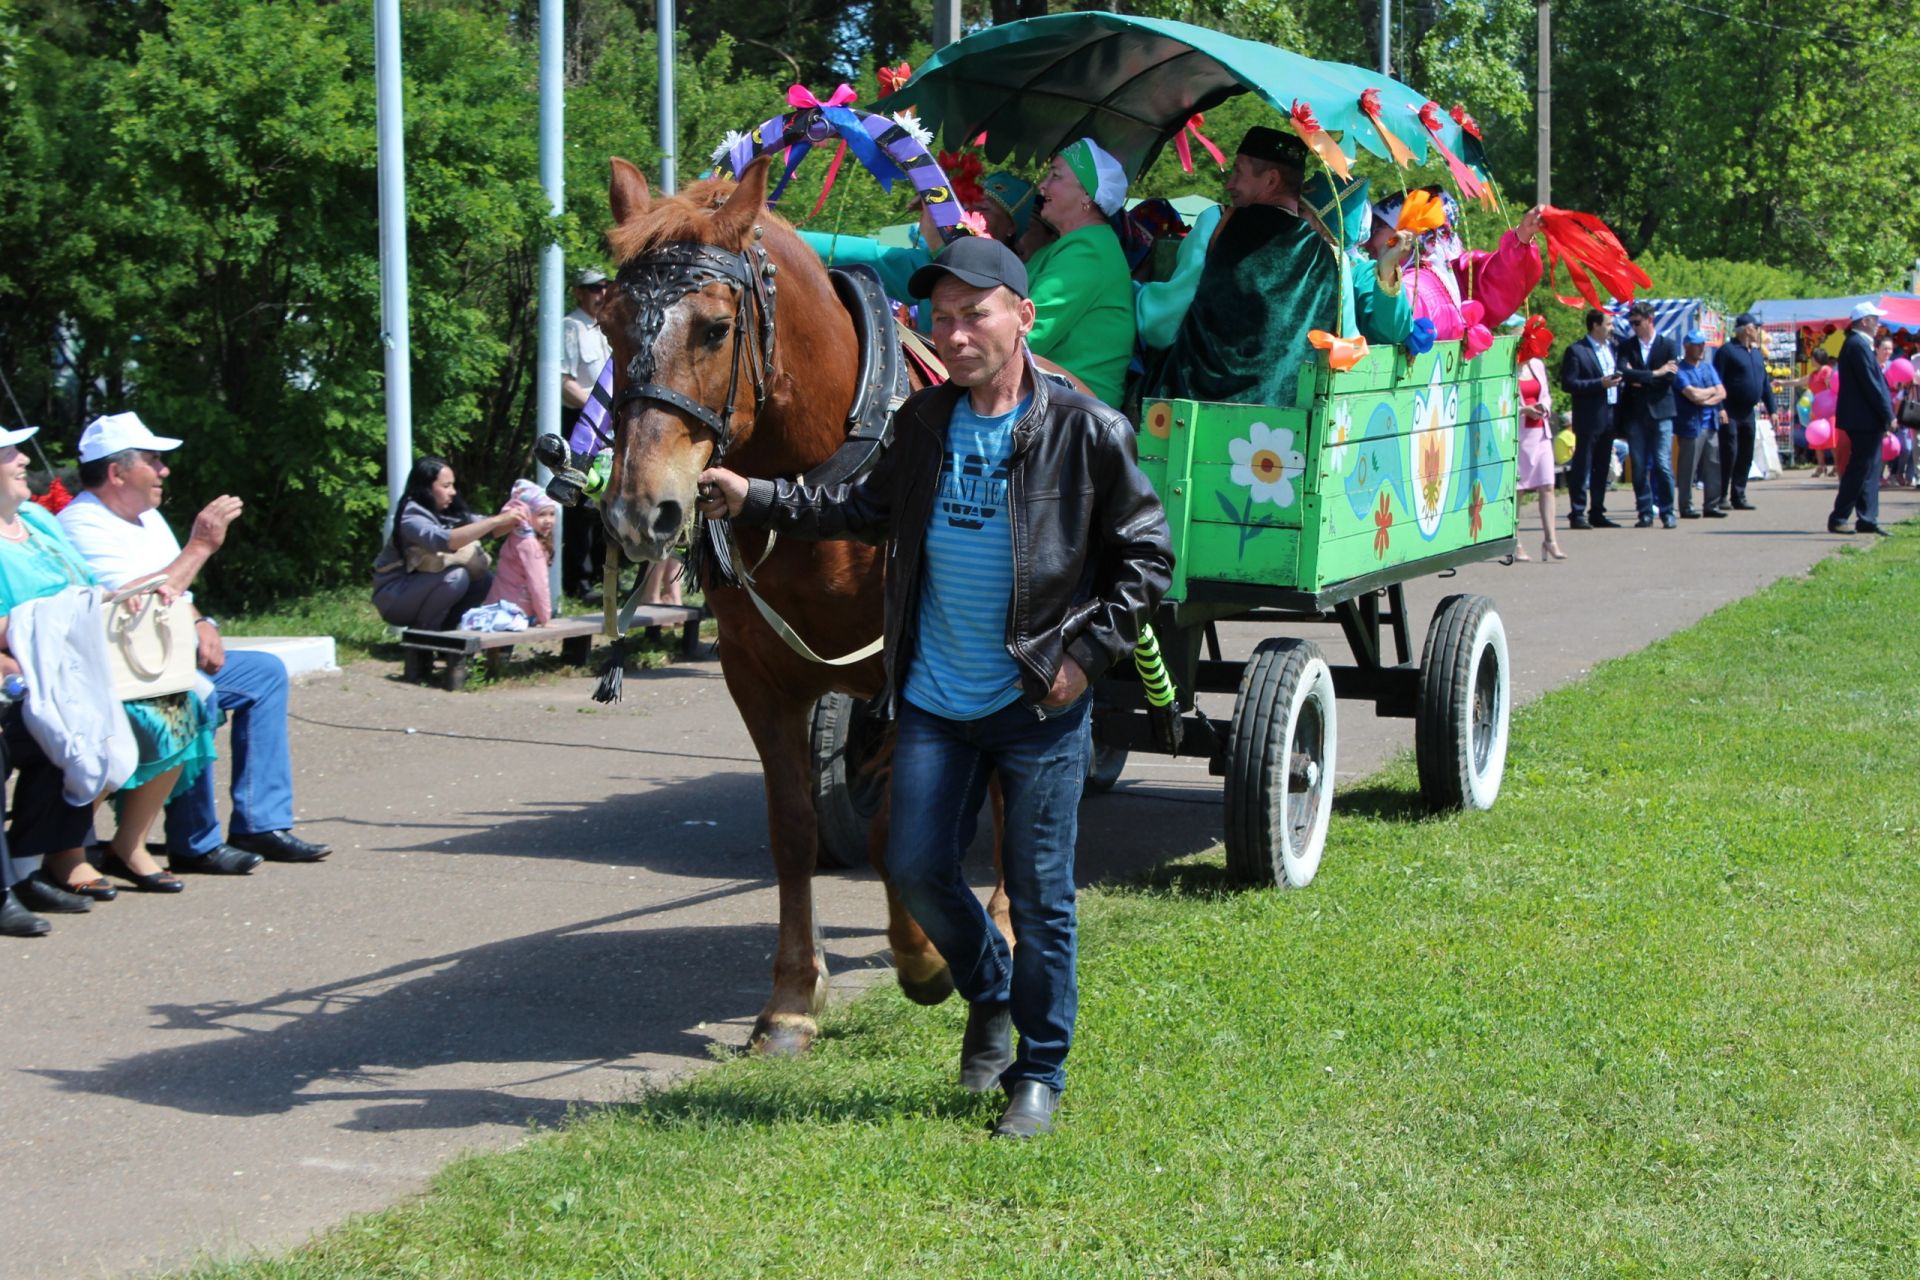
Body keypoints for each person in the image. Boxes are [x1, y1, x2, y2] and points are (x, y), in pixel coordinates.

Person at [695, 236, 1172, 1139]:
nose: (954, 335)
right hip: (935, 705)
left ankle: (1038, 1073)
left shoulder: (1084, 429)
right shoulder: (921, 427)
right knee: (915, 869)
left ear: (1022, 317)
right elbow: (854, 509)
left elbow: (1146, 558)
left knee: (1038, 896)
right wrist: (754, 497)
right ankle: (989, 992)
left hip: (1034, 706)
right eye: (941, 319)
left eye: (975, 314)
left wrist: (1079, 656)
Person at [59, 413, 334, 874]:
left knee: (263, 674)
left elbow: (177, 593)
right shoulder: (83, 525)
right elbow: (131, 603)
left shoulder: (147, 520)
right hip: (123, 671)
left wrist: (202, 620)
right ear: (116, 472)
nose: (165, 470)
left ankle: (260, 823)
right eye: (154, 460)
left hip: (162, 656)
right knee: (192, 696)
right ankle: (194, 840)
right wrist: (201, 547)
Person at [0, 422, 218, 903]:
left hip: (82, 654)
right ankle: (52, 856)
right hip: (37, 663)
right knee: (106, 712)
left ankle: (116, 845)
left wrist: (118, 599)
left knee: (180, 701)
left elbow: (87, 585)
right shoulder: (72, 519)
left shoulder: (37, 521)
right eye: (10, 453)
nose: (24, 462)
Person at [1147, 128, 1348, 409]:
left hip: (1194, 414)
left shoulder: (1216, 223)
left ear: (1271, 180)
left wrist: (1130, 292)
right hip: (1282, 433)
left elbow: (1159, 325)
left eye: (1238, 172)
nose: (1230, 184)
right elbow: (1341, 345)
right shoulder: (1328, 257)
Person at [1019, 138, 1136, 406]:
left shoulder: (1089, 249)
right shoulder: (1067, 247)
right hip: (1056, 399)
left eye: (1056, 175)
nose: (1043, 185)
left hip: (1078, 414)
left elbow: (1030, 333)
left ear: (1087, 194)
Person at [372, 457, 523, 630]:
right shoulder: (411, 515)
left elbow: (489, 530)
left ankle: (447, 632)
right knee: (456, 577)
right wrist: (498, 520)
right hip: (395, 598)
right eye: (446, 486)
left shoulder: (447, 511)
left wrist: (520, 517)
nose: (453, 492)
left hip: (420, 588)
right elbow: (443, 540)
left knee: (484, 579)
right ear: (426, 487)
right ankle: (424, 636)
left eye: (452, 485)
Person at [560, 269, 613, 599]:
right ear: (578, 292)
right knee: (579, 502)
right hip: (580, 425)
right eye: (594, 288)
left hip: (609, 427)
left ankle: (603, 574)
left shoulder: (606, 327)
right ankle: (578, 580)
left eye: (606, 286)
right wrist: (599, 410)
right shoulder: (571, 327)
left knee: (605, 500)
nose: (602, 293)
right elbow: (564, 383)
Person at [1829, 301, 1894, 536]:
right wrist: (1888, 414)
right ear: (1865, 321)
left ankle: (1866, 517)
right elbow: (1871, 384)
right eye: (1875, 319)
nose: (1878, 324)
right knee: (1860, 469)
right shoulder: (1857, 344)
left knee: (1870, 469)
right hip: (1863, 418)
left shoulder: (1859, 344)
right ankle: (1839, 517)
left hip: (1865, 418)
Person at [1614, 302, 1680, 528]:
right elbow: (1623, 372)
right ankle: (1644, 512)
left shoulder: (1668, 345)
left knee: (1662, 463)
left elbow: (1669, 379)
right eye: (1631, 323)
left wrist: (1640, 378)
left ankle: (1667, 511)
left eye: (1637, 322)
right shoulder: (1627, 346)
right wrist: (1655, 373)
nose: (1633, 327)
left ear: (1649, 320)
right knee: (1639, 466)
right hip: (1636, 414)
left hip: (1661, 412)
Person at [1559, 308, 1624, 528]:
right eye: (1608, 324)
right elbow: (1569, 383)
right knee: (1583, 464)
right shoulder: (1577, 350)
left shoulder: (1612, 348)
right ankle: (1577, 513)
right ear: (1595, 326)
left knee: (1602, 464)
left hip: (1610, 413)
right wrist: (1599, 383)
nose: (1611, 328)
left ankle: (1597, 510)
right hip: (1588, 415)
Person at [1711, 312, 1771, 510]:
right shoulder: (1727, 351)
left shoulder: (1755, 353)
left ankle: (1739, 494)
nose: (1758, 331)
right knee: (1730, 452)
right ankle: (1721, 496)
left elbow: (1764, 383)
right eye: (1756, 327)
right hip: (1730, 410)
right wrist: (1719, 407)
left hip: (1748, 412)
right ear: (1747, 329)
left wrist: (1773, 409)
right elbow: (1716, 380)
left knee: (1746, 453)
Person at [1514, 345, 1566, 561]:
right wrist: (1524, 409)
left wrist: (1543, 406)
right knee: (1518, 489)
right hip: (1520, 435)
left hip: (1540, 434)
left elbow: (1546, 395)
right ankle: (1515, 541)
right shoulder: (1510, 368)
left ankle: (1550, 540)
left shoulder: (1537, 365)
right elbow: (1503, 402)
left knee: (1547, 486)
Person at [481, 480, 556, 626]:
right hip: (516, 612)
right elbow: (538, 585)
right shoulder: (529, 544)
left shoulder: (517, 537)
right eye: (542, 515)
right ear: (527, 515)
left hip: (498, 608)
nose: (548, 521)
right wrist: (545, 618)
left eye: (552, 514)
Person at [1672, 330, 1729, 520]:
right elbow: (1692, 395)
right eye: (1697, 345)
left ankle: (1711, 505)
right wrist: (1709, 393)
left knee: (1713, 465)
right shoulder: (1680, 370)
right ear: (1687, 346)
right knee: (1688, 467)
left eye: (1702, 344)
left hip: (1710, 422)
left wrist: (1707, 397)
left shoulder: (1707, 368)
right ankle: (1686, 506)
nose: (1701, 348)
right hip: (1690, 424)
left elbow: (1722, 392)